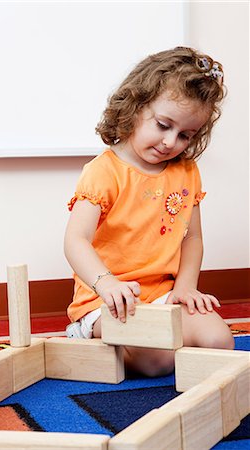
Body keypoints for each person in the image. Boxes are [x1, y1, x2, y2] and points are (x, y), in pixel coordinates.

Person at [64, 47, 235, 377]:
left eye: (186, 135)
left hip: (163, 296)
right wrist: (106, 283)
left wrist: (185, 288)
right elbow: (76, 240)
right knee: (157, 362)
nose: (171, 142)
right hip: (107, 300)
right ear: (135, 106)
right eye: (163, 125)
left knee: (219, 340)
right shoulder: (103, 171)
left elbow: (193, 238)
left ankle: (150, 340)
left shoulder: (185, 172)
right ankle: (86, 337)